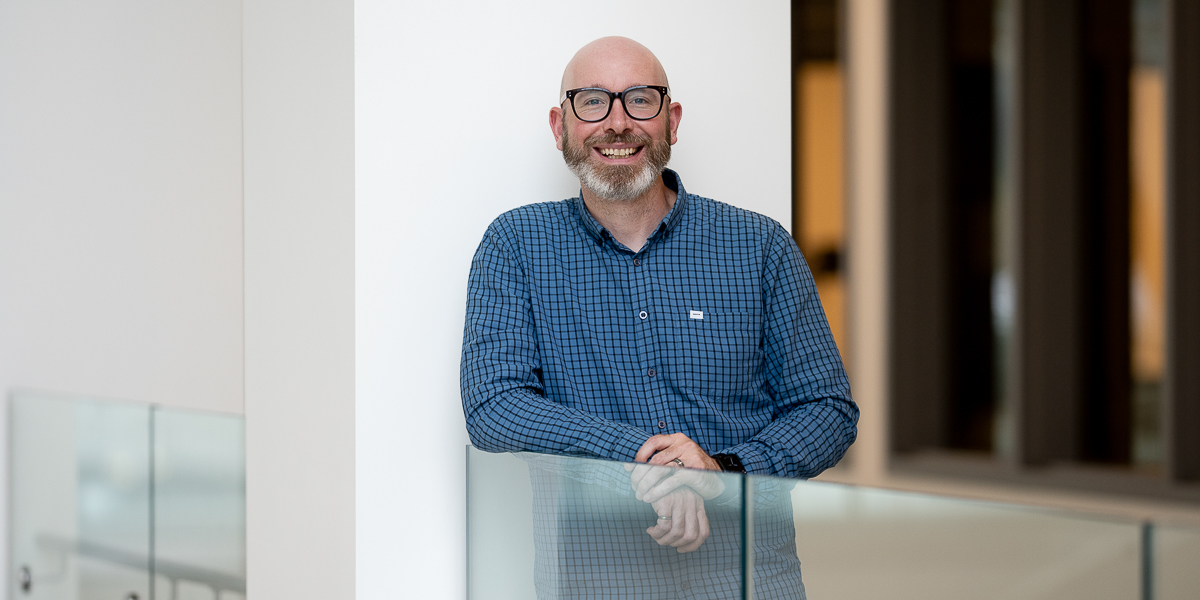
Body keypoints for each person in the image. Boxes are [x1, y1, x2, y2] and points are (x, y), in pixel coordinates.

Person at [461, 36, 857, 598]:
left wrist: (720, 473)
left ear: (671, 120)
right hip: (598, 582)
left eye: (639, 100)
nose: (617, 122)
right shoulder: (516, 246)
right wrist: (642, 457)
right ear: (560, 125)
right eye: (592, 101)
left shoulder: (759, 246)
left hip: (745, 579)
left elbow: (828, 410)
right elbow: (493, 407)